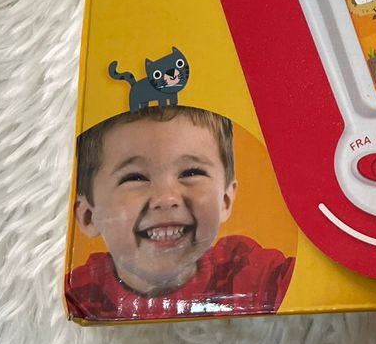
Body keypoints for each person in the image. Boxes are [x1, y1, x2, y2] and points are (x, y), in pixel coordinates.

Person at [65, 106, 294, 321]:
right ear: (89, 216)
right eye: (135, 177)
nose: (167, 198)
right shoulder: (80, 298)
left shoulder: (250, 273)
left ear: (225, 200)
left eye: (191, 172)